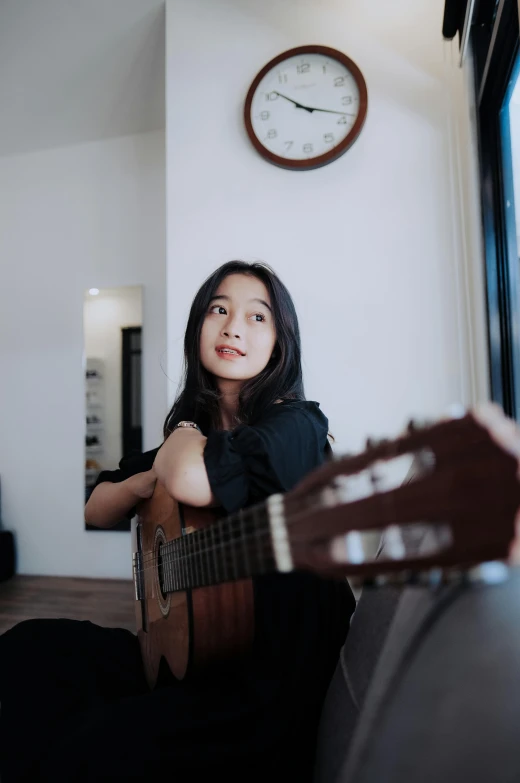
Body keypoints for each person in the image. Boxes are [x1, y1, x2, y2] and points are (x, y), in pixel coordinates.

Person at [0, 261, 355, 783]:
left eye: (258, 317)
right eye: (219, 309)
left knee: (82, 748)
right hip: (193, 658)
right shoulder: (186, 441)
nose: (234, 326)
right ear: (198, 329)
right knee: (29, 648)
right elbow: (96, 505)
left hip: (263, 697)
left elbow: (191, 477)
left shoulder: (298, 425)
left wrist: (182, 432)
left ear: (280, 345)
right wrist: (143, 484)